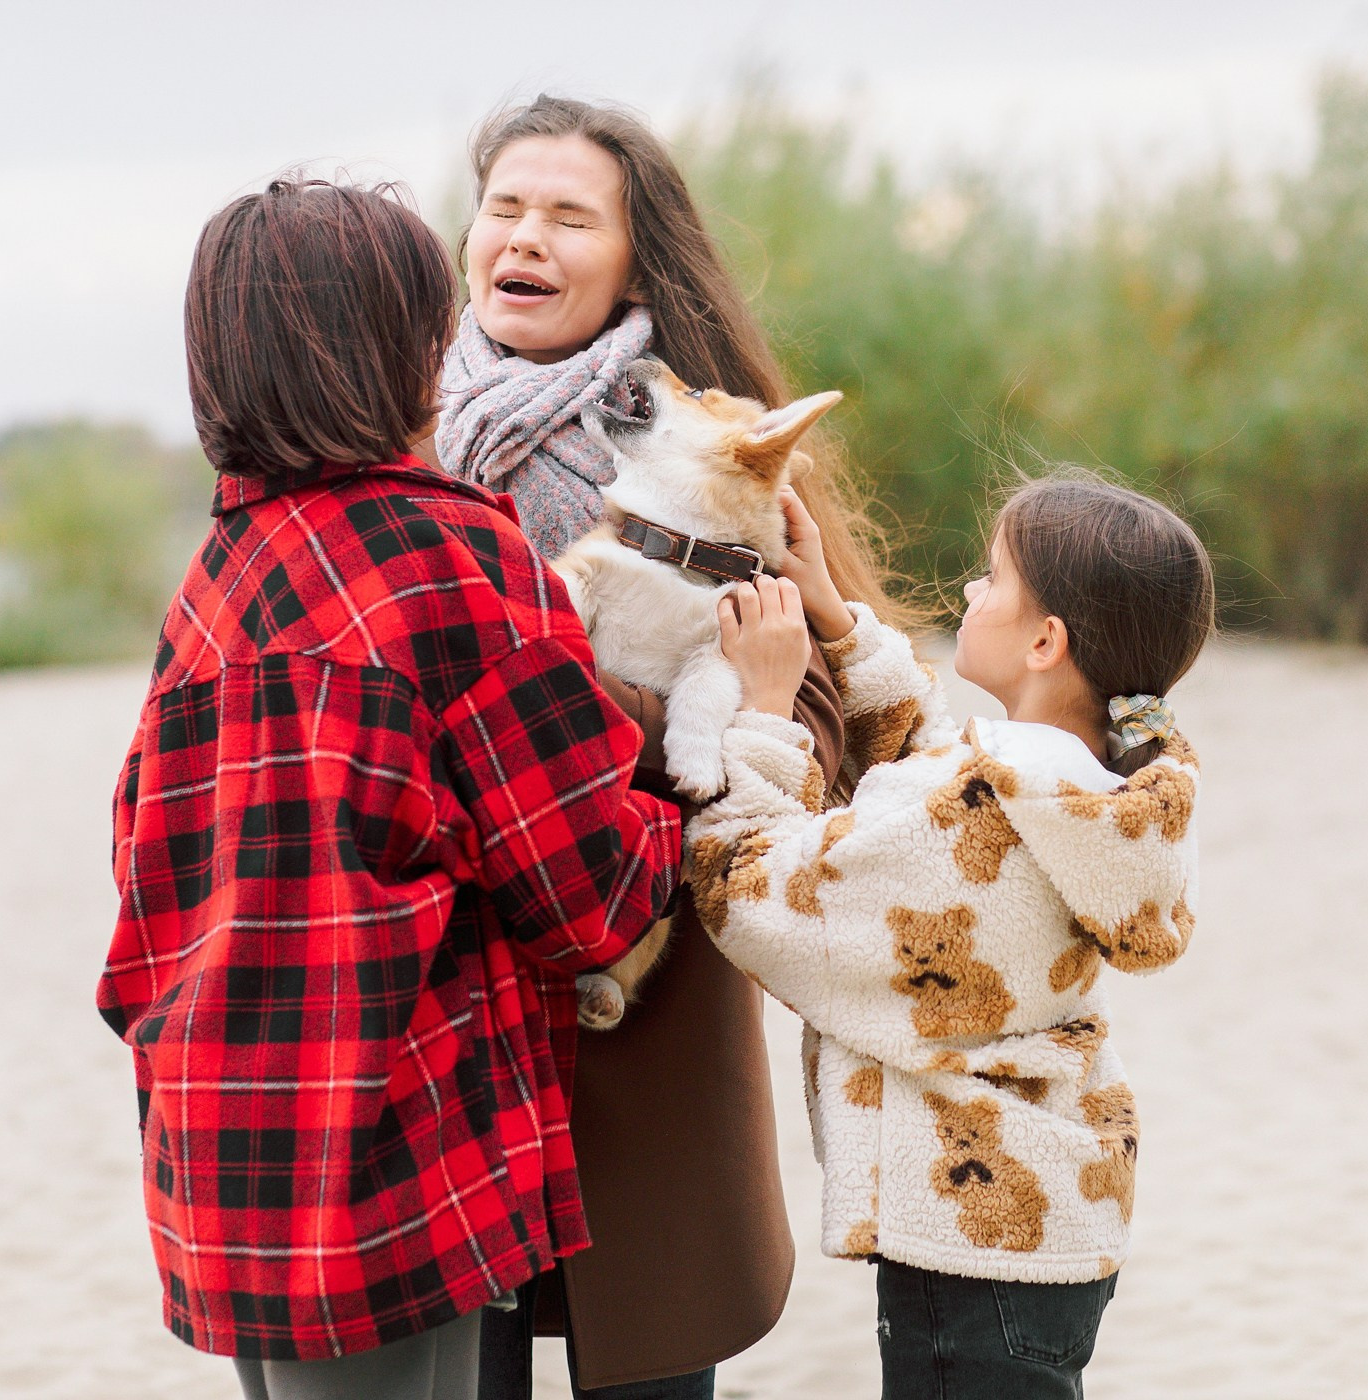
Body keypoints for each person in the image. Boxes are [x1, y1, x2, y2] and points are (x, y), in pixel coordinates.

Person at [95, 176, 683, 1400]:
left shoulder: (215, 581)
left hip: (219, 1149)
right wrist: (718, 767)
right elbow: (590, 892)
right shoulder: (448, 555)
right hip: (390, 1156)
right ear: (387, 350)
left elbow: (143, 877)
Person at [432, 94, 903, 1399]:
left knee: (640, 1350)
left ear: (637, 260)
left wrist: (589, 710)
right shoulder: (399, 435)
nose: (524, 237)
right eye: (504, 209)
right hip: (451, 996)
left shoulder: (715, 453)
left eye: (569, 216)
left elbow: (803, 711)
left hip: (641, 988)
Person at [693, 473, 1215, 1400]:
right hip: (1050, 1218)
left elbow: (749, 888)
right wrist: (836, 618)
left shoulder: (972, 802)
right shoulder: (1090, 784)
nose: (971, 592)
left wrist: (766, 711)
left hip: (970, 1237)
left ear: (1046, 641)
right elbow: (936, 779)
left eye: (992, 578)